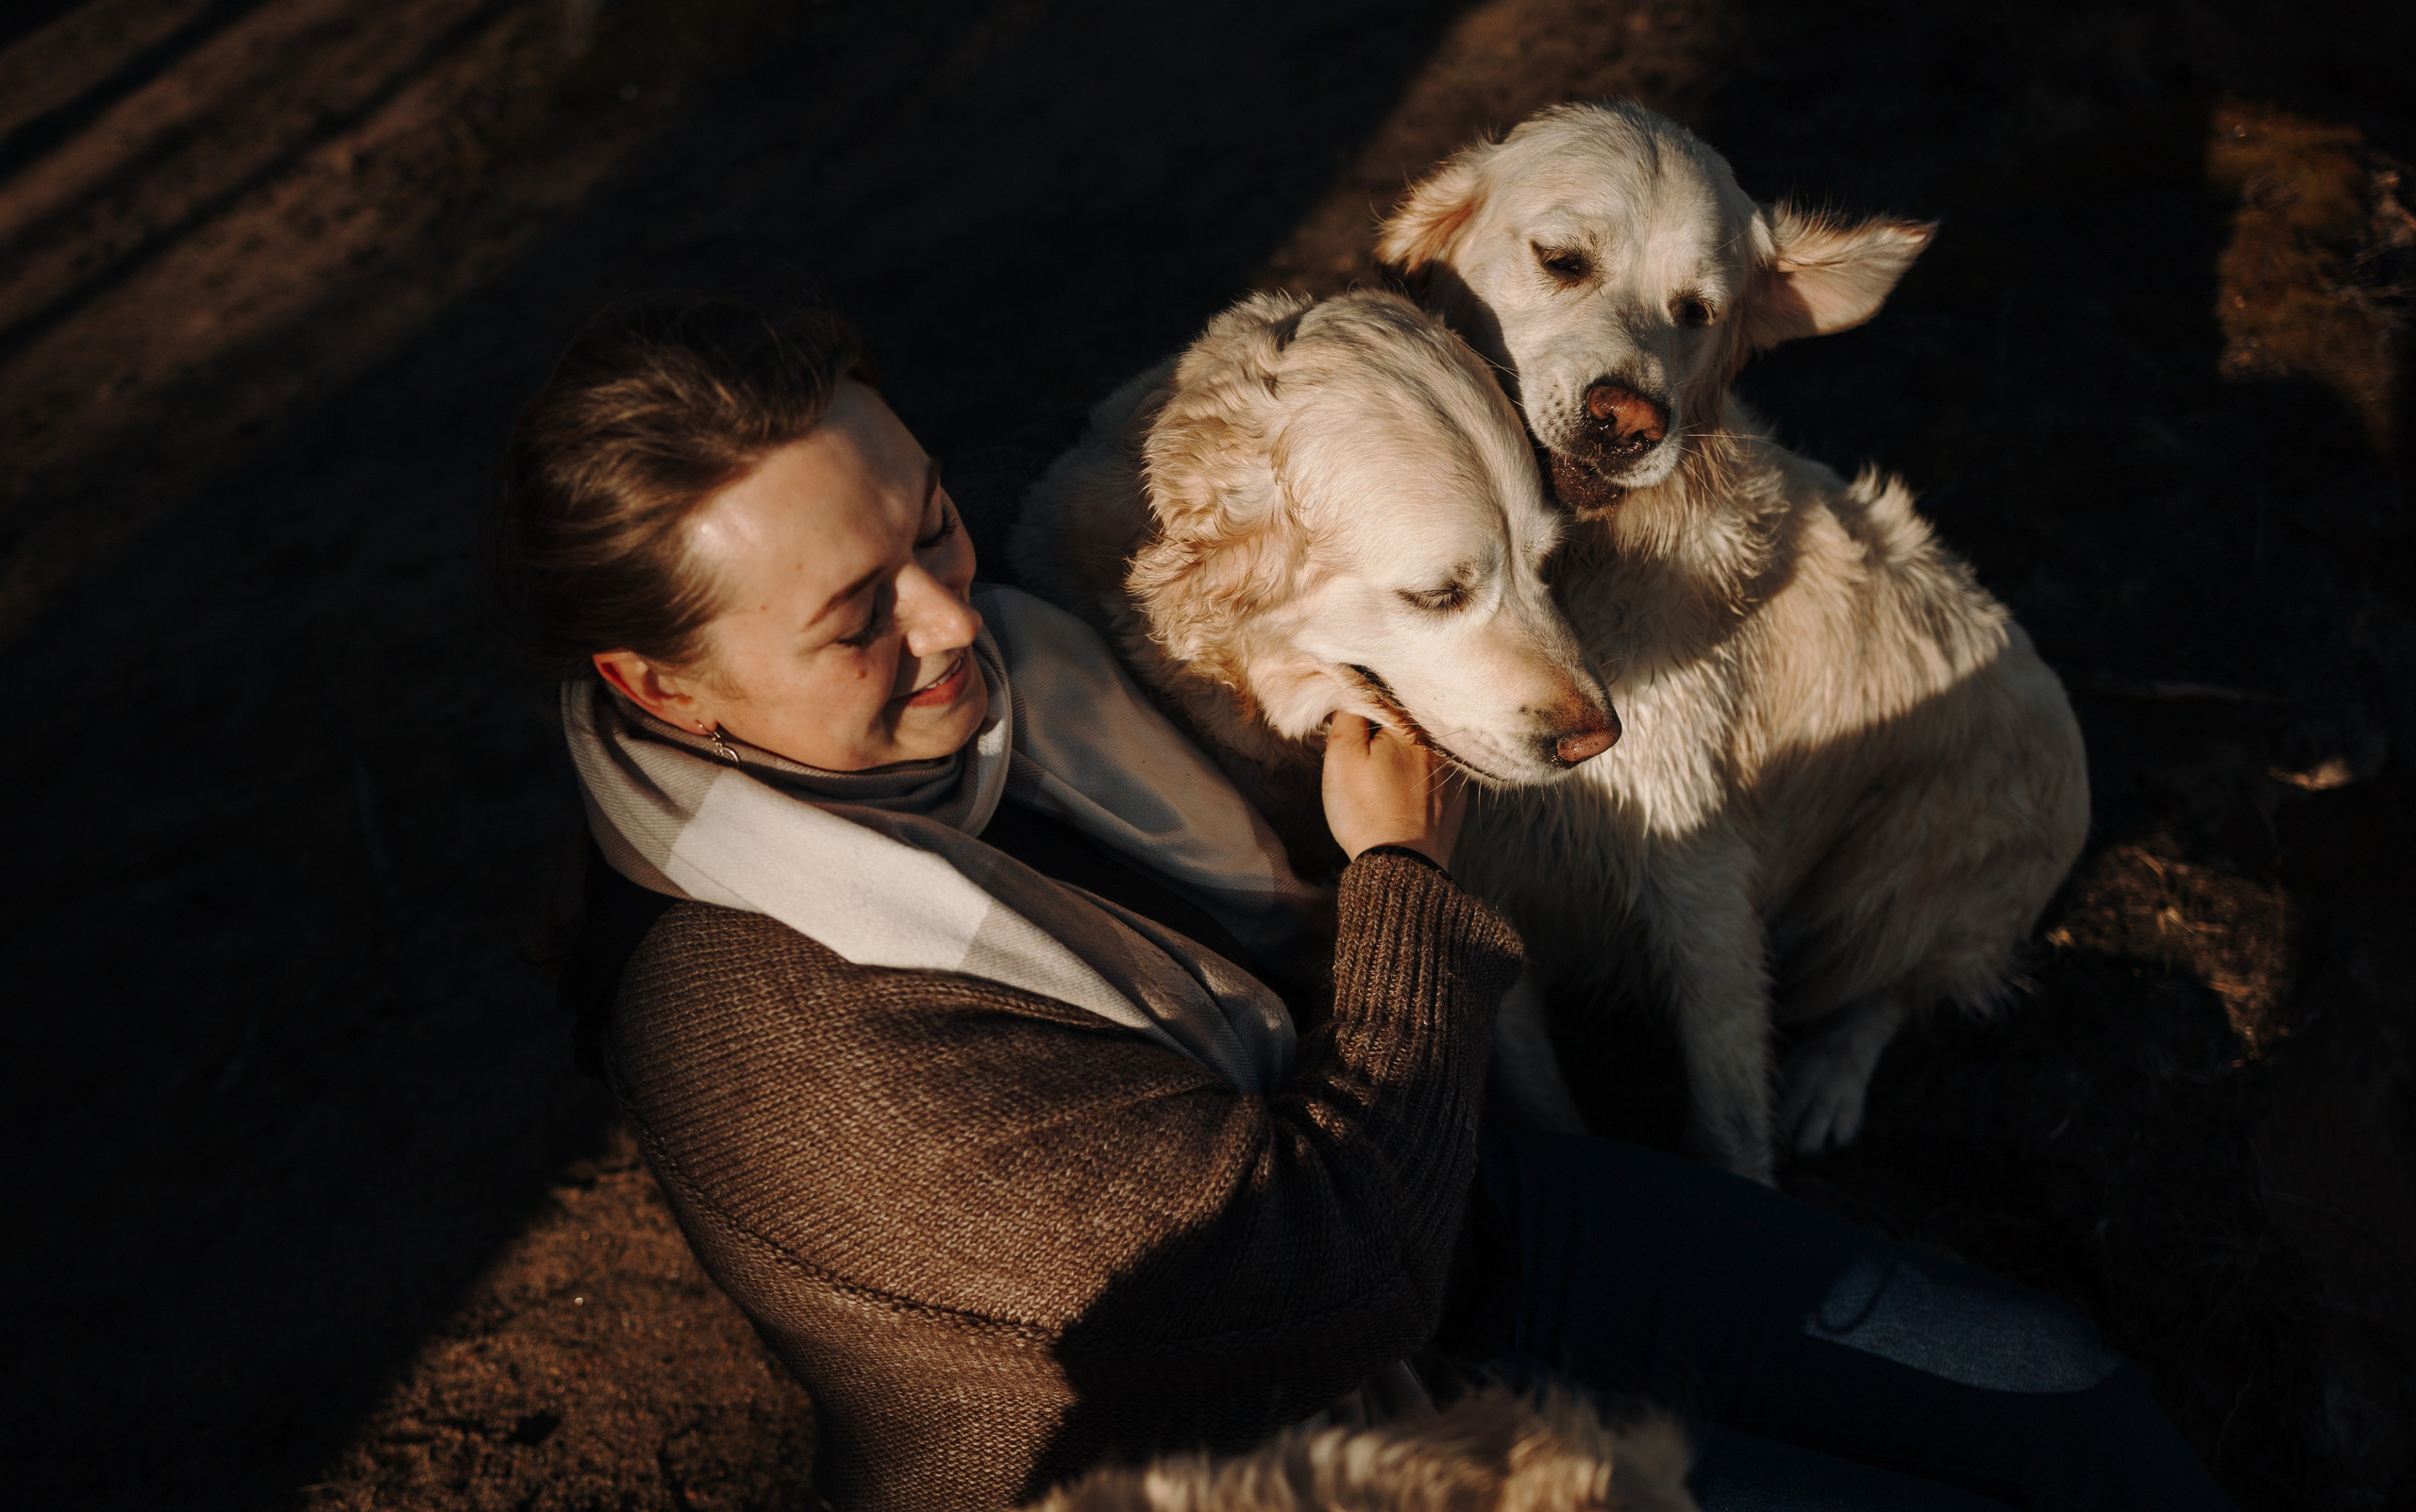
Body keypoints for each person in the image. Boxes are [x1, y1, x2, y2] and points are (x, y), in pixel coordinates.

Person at [491, 294, 2237, 1512]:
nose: (955, 622)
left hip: (1467, 1206)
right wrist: (1398, 872)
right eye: (855, 615)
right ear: (661, 686)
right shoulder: (763, 1033)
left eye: (932, 528)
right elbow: (1326, 1277)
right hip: (1258, 1436)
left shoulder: (1029, 680)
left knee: (2064, 1394)